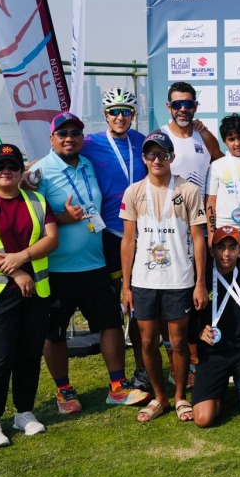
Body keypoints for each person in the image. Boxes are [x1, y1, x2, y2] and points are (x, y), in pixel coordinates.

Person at [30, 112, 148, 416]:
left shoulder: (87, 164)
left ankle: (117, 387)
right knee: (53, 332)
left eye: (75, 133)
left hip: (94, 263)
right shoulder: (39, 172)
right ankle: (64, 391)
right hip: (57, 269)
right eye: (63, 133)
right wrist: (61, 218)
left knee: (110, 324)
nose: (69, 138)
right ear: (52, 138)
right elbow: (29, 217)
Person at [0, 143, 59, 448]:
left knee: (29, 354)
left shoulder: (37, 200)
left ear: (21, 172)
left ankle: (24, 412)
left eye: (13, 167)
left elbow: (51, 239)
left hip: (36, 293)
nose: (6, 172)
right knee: (0, 358)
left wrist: (22, 256)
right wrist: (16, 271)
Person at [121, 130, 209, 423]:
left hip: (179, 280)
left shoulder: (188, 191)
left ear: (171, 157)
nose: (156, 159)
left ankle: (181, 396)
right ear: (144, 159)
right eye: (150, 154)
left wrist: (199, 283)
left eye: (162, 154)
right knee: (147, 342)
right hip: (144, 281)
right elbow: (129, 241)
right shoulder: (133, 191)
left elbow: (198, 239)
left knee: (179, 341)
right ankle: (160, 397)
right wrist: (126, 285)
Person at [81, 87, 148, 387]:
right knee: (113, 310)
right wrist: (29, 176)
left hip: (142, 232)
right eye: (115, 112)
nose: (121, 117)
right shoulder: (90, 142)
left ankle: (143, 371)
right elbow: (57, 154)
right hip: (109, 233)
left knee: (139, 306)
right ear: (105, 115)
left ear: (134, 114)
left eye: (127, 111)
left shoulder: (142, 141)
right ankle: (117, 379)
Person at [191, 226, 240, 427]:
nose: (226, 253)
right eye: (221, 248)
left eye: (232, 247)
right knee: (203, 419)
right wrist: (199, 332)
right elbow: (187, 320)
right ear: (212, 251)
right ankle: (218, 392)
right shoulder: (201, 281)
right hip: (214, 352)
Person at [207, 114, 240, 271]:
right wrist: (211, 233)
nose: (237, 143)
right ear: (224, 141)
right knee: (225, 272)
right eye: (231, 139)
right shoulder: (217, 165)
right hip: (225, 228)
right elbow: (211, 201)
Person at [163, 81, 224, 196]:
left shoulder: (206, 137)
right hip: (168, 212)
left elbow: (225, 167)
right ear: (168, 107)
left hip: (199, 212)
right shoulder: (160, 137)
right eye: (177, 104)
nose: (183, 109)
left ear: (195, 106)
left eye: (188, 104)